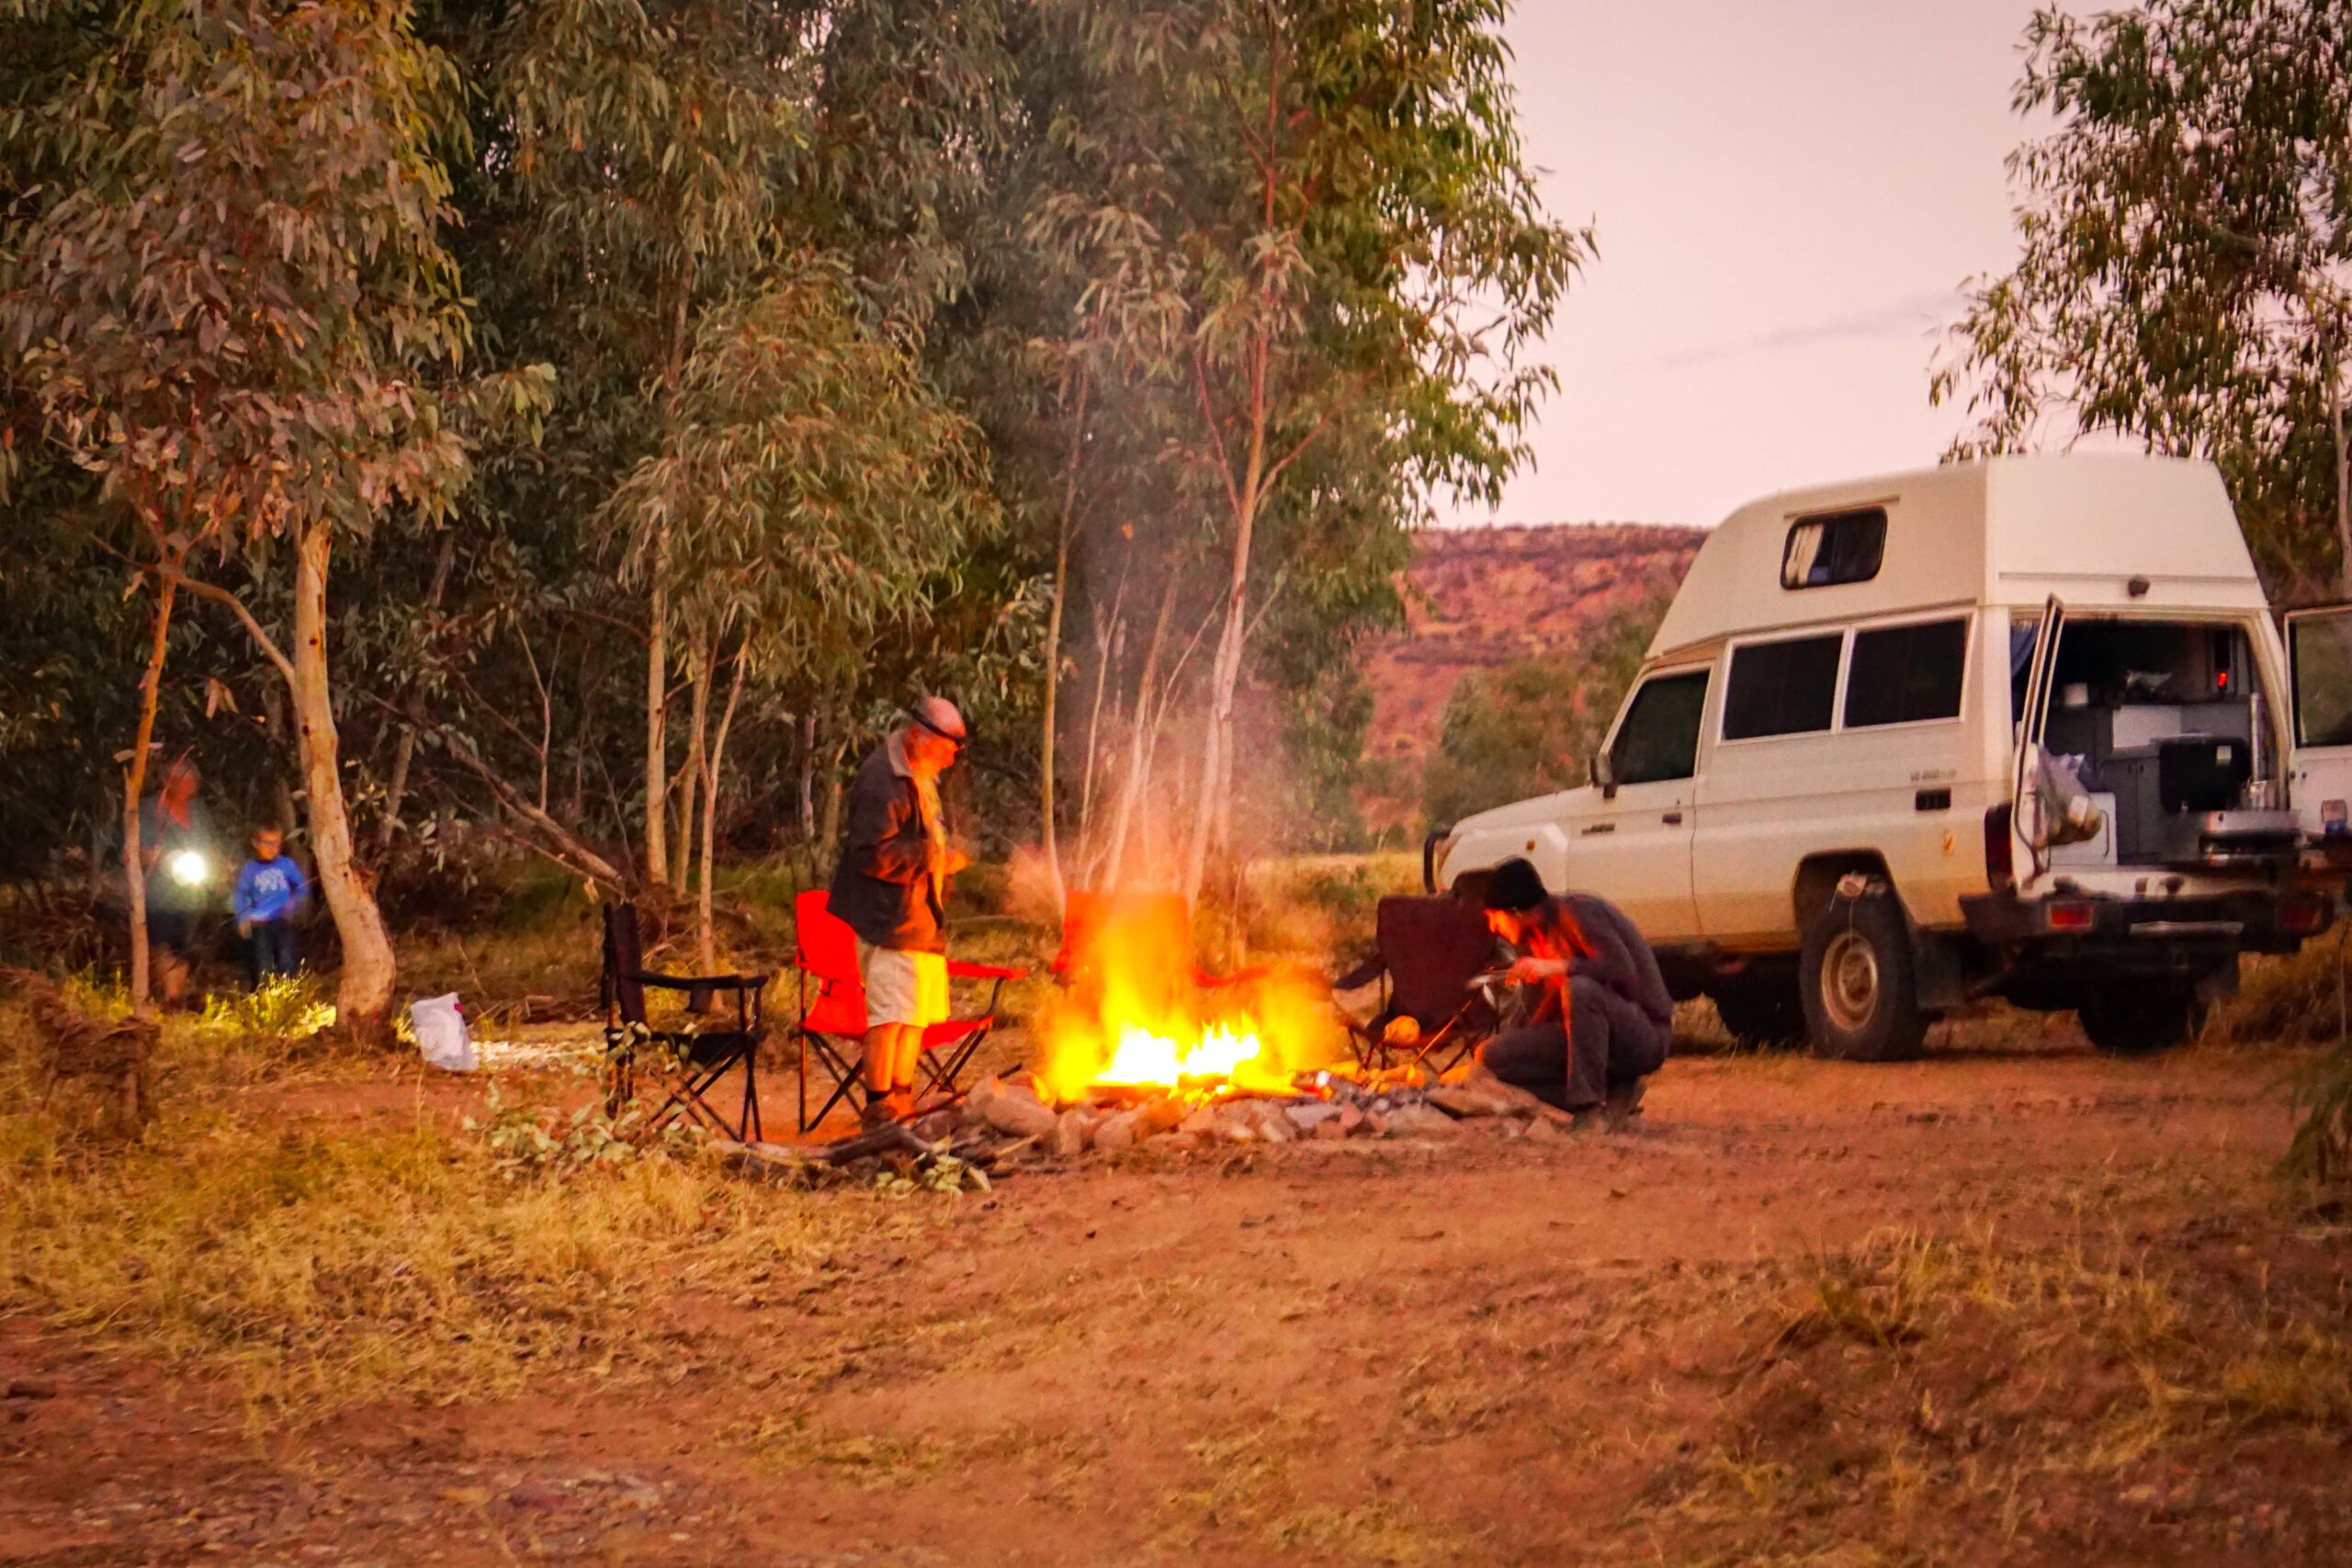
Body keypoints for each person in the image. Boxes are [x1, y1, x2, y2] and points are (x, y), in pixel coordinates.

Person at [828, 696, 972, 1125]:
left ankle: (902, 1102)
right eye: (945, 751)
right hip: (888, 920)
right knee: (890, 1016)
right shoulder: (881, 781)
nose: (949, 761)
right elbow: (872, 855)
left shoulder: (919, 772)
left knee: (915, 1017)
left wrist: (942, 858)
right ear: (917, 737)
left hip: (920, 919)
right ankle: (878, 1106)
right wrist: (932, 857)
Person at [1476, 858, 1672, 1121]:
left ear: (1515, 911)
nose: (1492, 928)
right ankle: (1615, 1094)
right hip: (1589, 1036)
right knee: (1493, 1056)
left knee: (1580, 989)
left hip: (1644, 1034)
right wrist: (1523, 1038)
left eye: (1493, 917)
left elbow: (1618, 967)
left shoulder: (1577, 912)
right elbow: (1551, 1001)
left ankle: (1588, 1109)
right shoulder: (1537, 935)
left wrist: (1557, 967)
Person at [137, 753, 221, 1008]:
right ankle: (171, 998)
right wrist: (165, 858)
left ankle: (174, 994)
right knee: (164, 942)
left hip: (192, 890)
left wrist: (221, 870)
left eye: (194, 780)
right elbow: (141, 849)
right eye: (187, 780)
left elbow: (211, 842)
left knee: (183, 944)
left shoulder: (198, 811)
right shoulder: (151, 809)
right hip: (160, 891)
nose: (193, 785)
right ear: (170, 781)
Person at [232, 823, 311, 987]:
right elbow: (241, 894)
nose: (272, 848)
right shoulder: (250, 869)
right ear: (256, 843)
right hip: (260, 922)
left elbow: (301, 886)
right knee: (263, 959)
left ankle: (288, 990)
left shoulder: (286, 864)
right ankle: (265, 992)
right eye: (267, 843)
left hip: (282, 919)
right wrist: (242, 918)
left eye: (276, 843)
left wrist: (293, 903)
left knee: (287, 957)